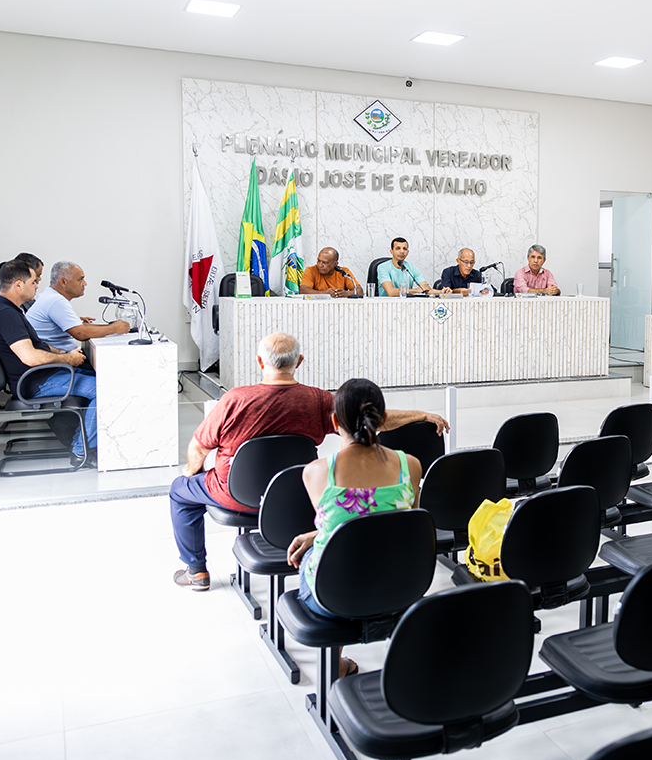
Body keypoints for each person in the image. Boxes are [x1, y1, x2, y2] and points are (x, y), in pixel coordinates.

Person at [168, 331, 447, 591]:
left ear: (260, 362)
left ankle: (196, 571)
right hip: (297, 497)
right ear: (299, 362)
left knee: (180, 491)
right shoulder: (317, 400)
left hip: (234, 496)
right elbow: (366, 416)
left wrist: (192, 472)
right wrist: (420, 415)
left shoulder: (234, 399)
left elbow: (198, 448)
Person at [285, 377, 422, 677]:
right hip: (400, 585)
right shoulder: (410, 466)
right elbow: (401, 524)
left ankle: (335, 665)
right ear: (383, 420)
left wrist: (314, 536)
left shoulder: (317, 472)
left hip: (334, 594)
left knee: (320, 557)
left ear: (335, 422)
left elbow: (341, 527)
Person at [0, 259, 96, 464]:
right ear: (19, 285)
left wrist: (62, 352)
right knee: (105, 389)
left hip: (41, 376)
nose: (37, 286)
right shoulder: (6, 314)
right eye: (34, 282)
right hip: (37, 382)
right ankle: (81, 452)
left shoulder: (9, 309)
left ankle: (69, 429)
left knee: (102, 377)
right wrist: (67, 359)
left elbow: (36, 346)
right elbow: (30, 357)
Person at [26, 261, 130, 351]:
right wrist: (114, 329)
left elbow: (80, 327)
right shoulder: (56, 301)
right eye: (80, 279)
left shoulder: (51, 296)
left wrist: (112, 327)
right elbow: (81, 333)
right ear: (63, 282)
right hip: (59, 364)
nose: (85, 284)